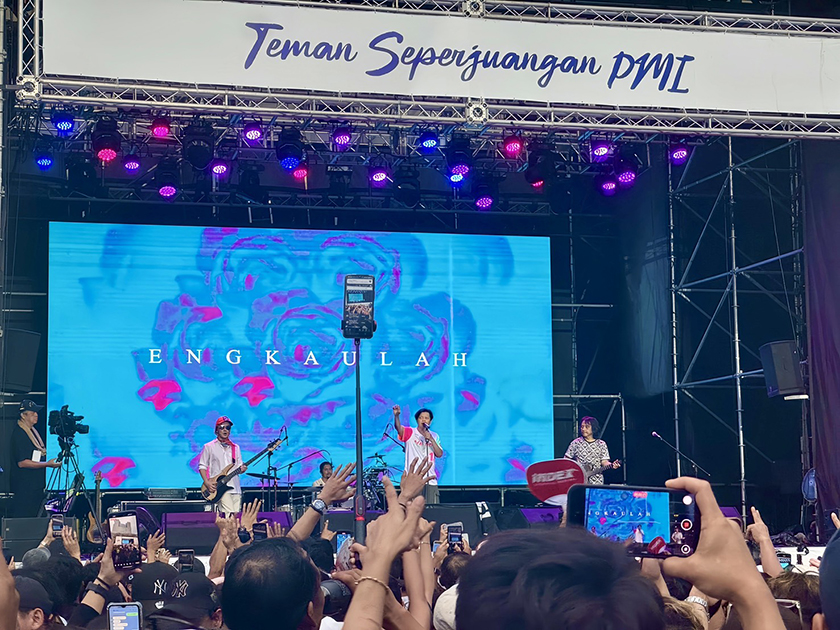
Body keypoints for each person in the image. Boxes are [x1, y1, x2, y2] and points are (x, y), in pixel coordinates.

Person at [11, 400, 61, 517]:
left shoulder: (33, 431)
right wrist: (47, 464)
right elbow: (22, 462)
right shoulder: (20, 434)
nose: (36, 415)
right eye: (32, 413)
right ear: (23, 416)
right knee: (27, 517)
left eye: (36, 412)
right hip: (25, 488)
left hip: (36, 486)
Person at [393, 405, 443, 503]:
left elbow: (439, 453)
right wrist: (397, 416)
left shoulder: (434, 436)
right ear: (417, 420)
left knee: (432, 508)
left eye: (426, 418)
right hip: (413, 480)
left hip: (430, 480)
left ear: (430, 421)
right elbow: (398, 428)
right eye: (421, 418)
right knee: (413, 508)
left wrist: (431, 439)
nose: (423, 420)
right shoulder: (410, 432)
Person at [199, 416, 247, 514]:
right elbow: (202, 466)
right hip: (220, 487)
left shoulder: (236, 447)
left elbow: (239, 466)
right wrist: (207, 483)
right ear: (217, 430)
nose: (225, 430)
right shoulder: (209, 446)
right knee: (229, 513)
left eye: (228, 428)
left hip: (235, 487)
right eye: (222, 427)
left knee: (236, 517)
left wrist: (242, 469)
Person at [564, 416, 619, 485]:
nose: (583, 429)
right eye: (582, 427)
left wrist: (612, 465)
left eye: (586, 427)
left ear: (593, 428)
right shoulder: (576, 443)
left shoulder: (601, 444)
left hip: (597, 481)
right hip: (580, 482)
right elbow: (566, 460)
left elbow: (604, 461)